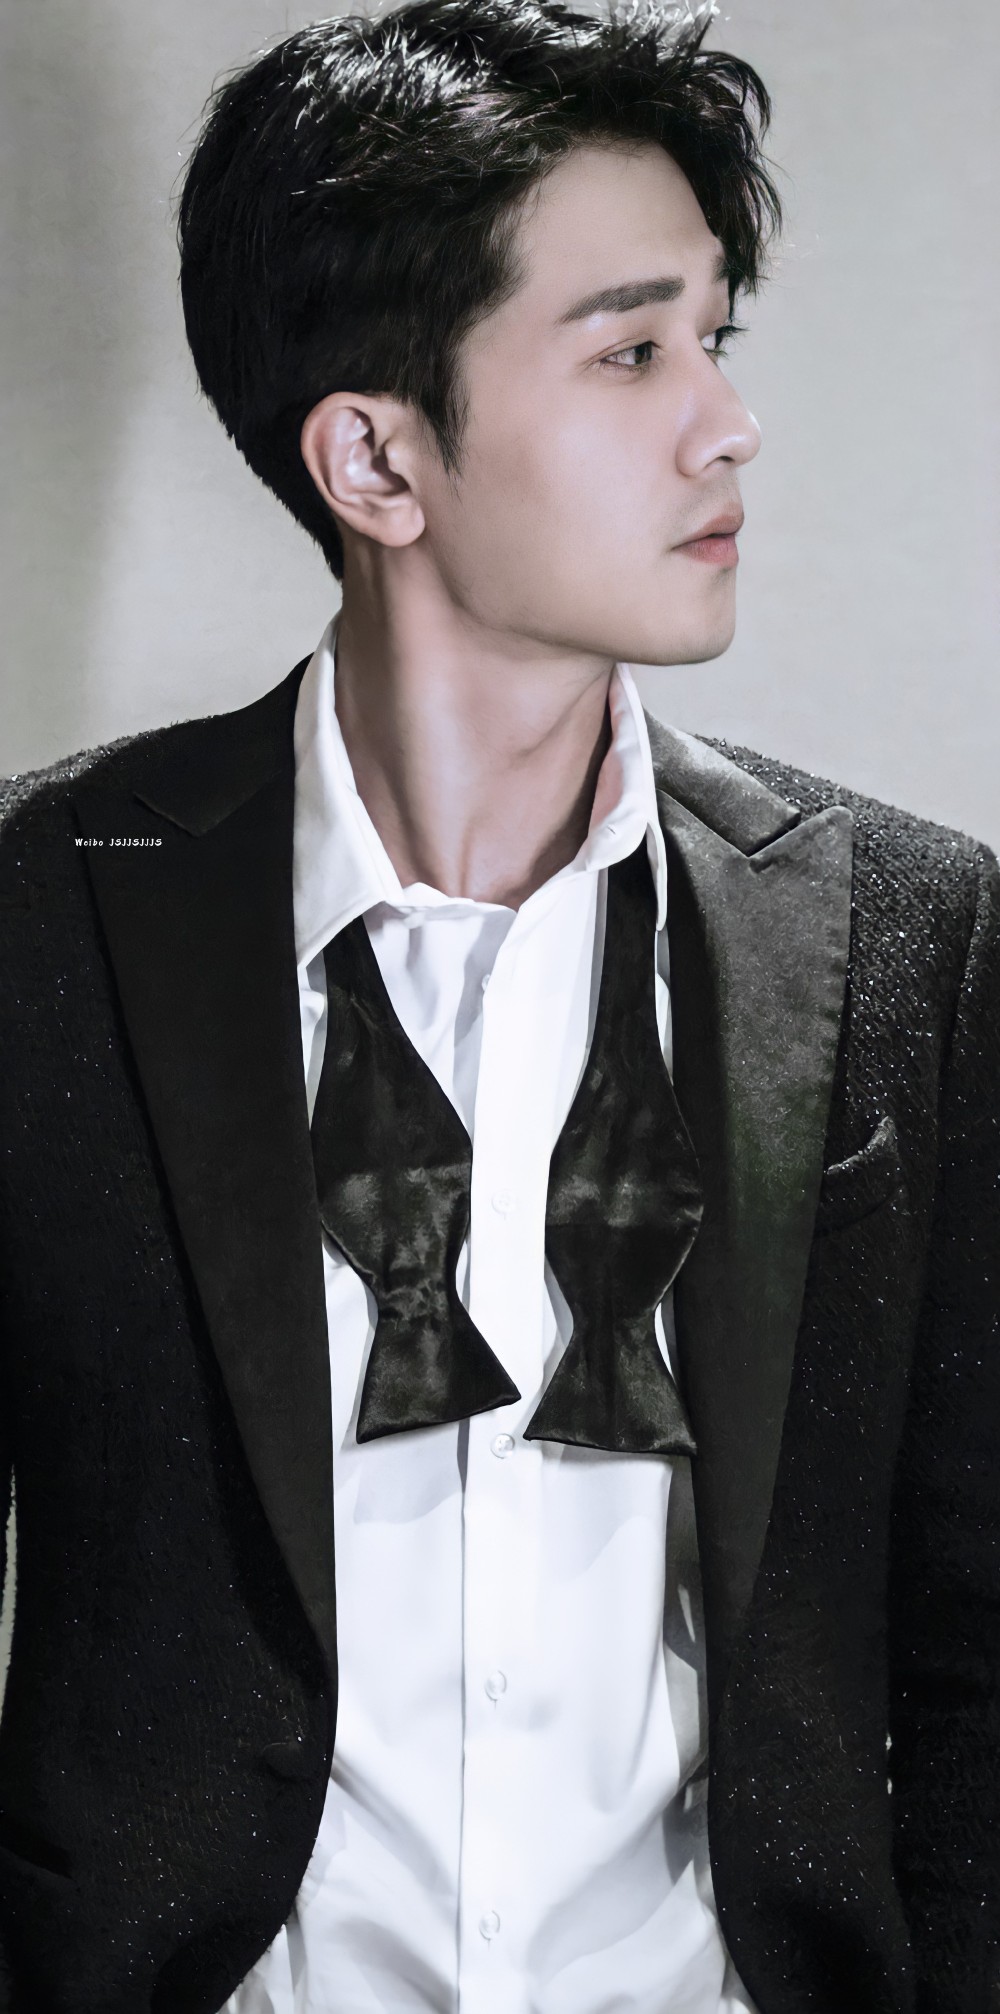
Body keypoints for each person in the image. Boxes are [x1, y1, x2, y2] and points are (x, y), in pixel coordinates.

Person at [0, 0, 997, 2008]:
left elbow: (980, 1647)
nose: (723, 423)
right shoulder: (44, 911)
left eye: (714, 337)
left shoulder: (911, 933)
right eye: (630, 350)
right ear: (375, 455)